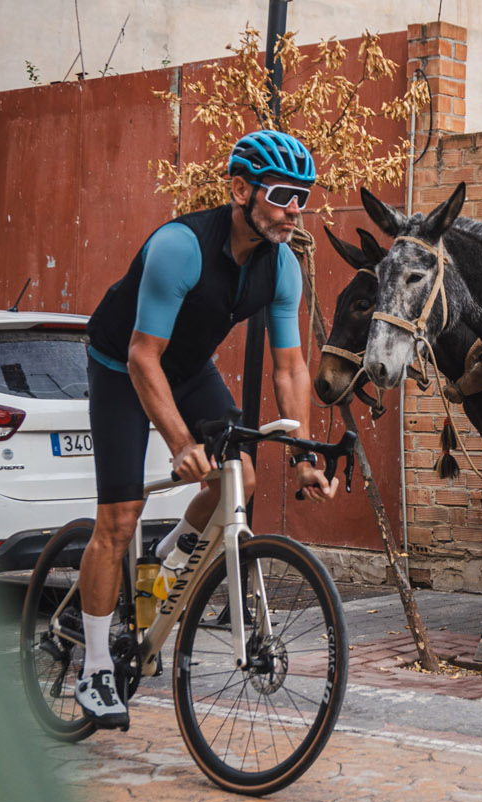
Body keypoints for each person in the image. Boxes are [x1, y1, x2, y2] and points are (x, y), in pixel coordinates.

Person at [76, 129, 337, 729]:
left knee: (238, 477)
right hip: (122, 365)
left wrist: (302, 454)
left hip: (189, 370)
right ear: (241, 190)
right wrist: (181, 444)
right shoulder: (181, 247)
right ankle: (94, 667)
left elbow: (290, 366)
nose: (294, 210)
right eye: (281, 195)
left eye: (303, 197)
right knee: (119, 517)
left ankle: (165, 561)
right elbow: (142, 356)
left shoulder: (282, 268)